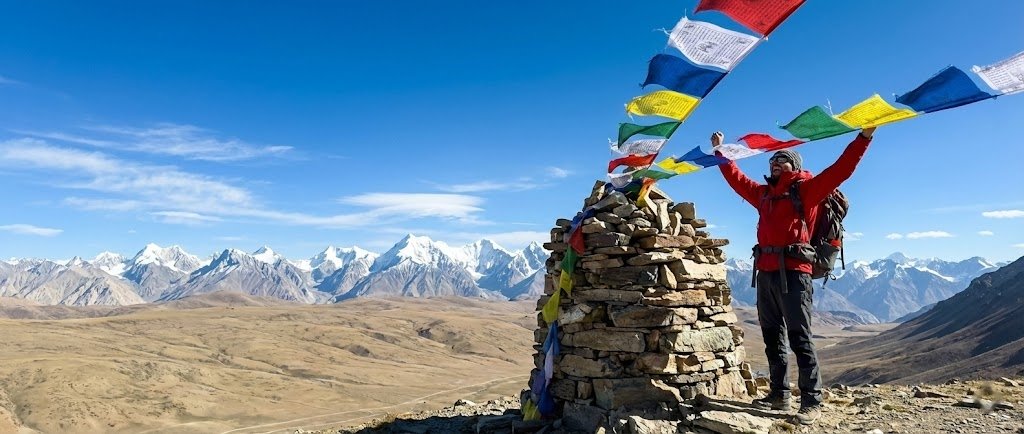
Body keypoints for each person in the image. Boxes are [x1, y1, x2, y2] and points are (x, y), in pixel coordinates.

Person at [710, 127, 875, 425]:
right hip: (766, 273)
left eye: (782, 160)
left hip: (795, 274)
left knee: (800, 338)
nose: (775, 164)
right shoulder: (763, 195)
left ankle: (811, 401)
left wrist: (863, 138)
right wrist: (721, 152)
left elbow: (841, 170)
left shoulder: (807, 190)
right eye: (772, 161)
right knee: (772, 337)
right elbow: (736, 179)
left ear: (795, 166)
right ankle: (779, 394)